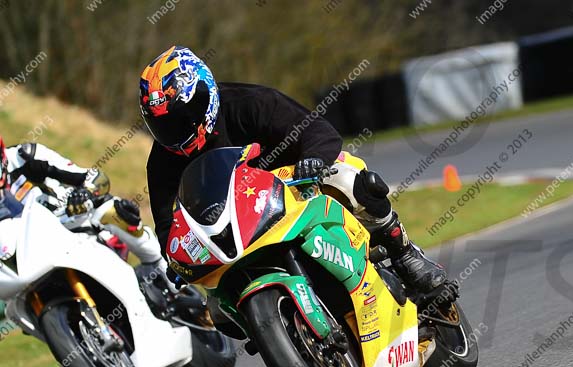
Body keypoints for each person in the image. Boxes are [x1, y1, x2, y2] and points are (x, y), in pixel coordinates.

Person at [139, 45, 450, 297]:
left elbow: (317, 130)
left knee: (349, 178)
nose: (175, 131)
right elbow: (169, 223)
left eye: (183, 117)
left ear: (205, 92)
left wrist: (313, 159)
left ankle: (404, 253)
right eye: (162, 125)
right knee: (217, 305)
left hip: (297, 181)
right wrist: (175, 257)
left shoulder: (251, 103)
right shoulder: (163, 160)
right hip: (238, 223)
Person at [0, 134, 166, 270]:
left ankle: (163, 267)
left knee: (113, 210)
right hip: (29, 255)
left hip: (70, 221)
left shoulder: (26, 156)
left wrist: (84, 193)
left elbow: (95, 178)